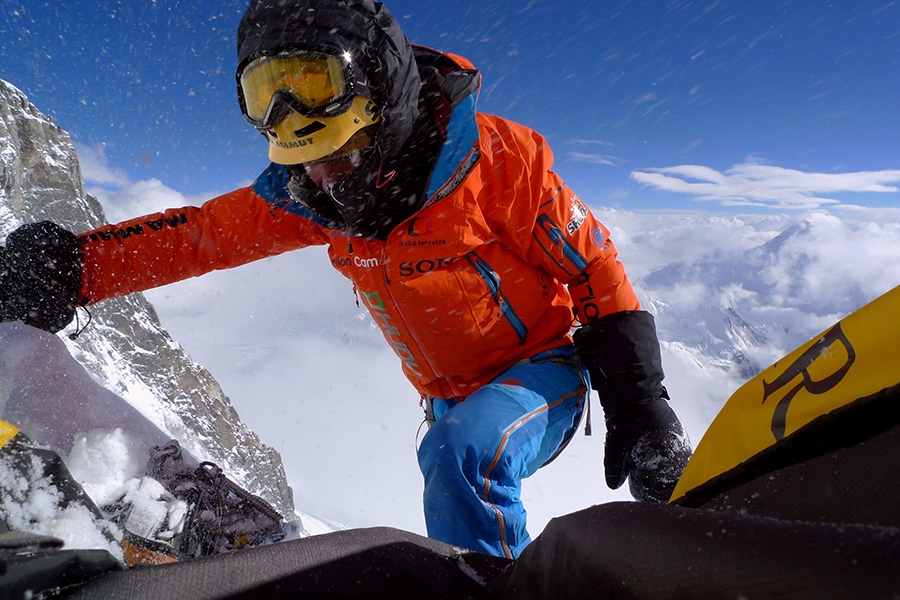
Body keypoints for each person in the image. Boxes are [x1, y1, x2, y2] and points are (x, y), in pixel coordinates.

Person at [0, 0, 691, 559]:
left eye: (340, 156)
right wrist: (73, 267)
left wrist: (642, 405)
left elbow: (594, 267)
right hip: (448, 395)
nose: (322, 178)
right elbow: (201, 237)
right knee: (452, 465)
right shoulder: (317, 194)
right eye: (305, 164)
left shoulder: (502, 164)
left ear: (383, 113)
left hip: (544, 367)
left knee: (462, 457)